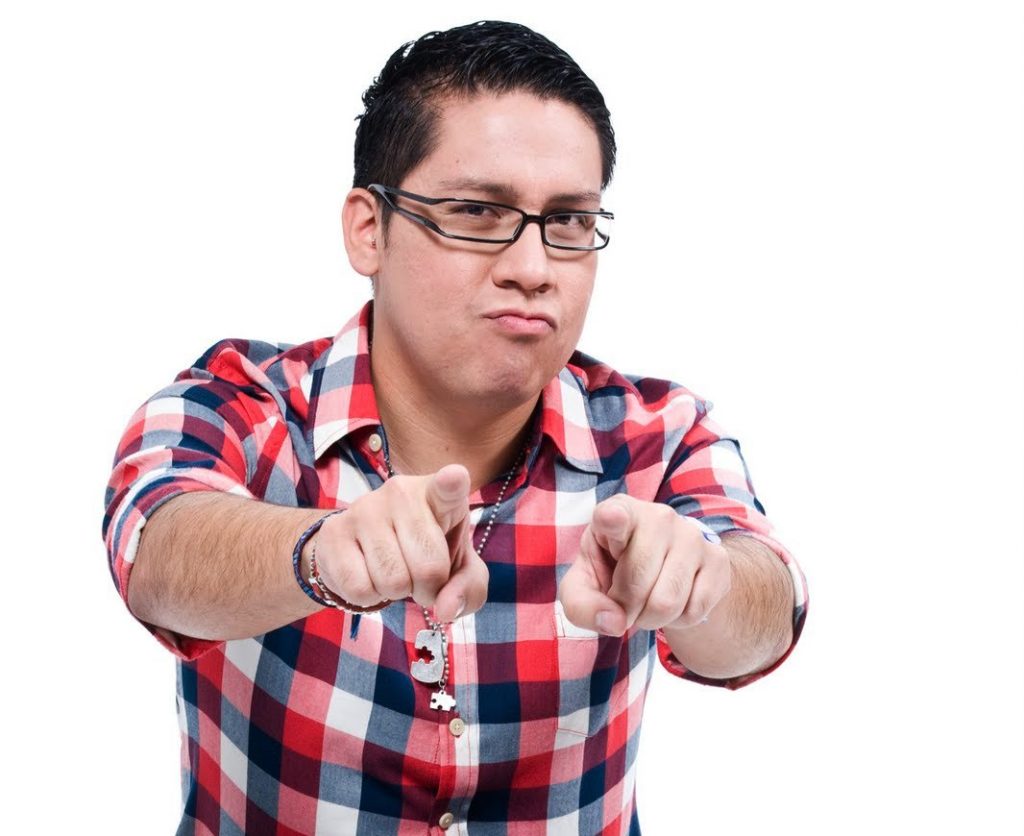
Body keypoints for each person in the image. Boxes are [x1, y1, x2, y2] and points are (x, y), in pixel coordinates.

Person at [103, 19, 807, 835]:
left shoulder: (657, 435)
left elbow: (770, 610)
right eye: (477, 212)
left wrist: (703, 582)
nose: (533, 268)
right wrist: (320, 553)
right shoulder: (243, 405)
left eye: (569, 222)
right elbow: (156, 549)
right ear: (368, 229)